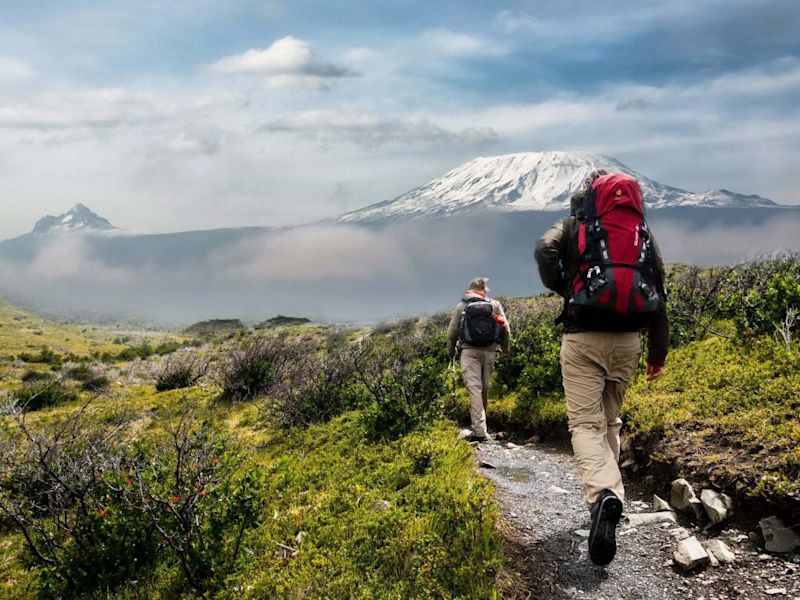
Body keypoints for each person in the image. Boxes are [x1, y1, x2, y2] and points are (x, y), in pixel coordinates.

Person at [534, 170, 668, 566]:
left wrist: (564, 286)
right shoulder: (639, 230)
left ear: (588, 194)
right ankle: (609, 499)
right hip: (629, 340)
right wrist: (657, 354)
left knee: (585, 425)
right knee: (610, 421)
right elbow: (658, 289)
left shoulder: (576, 225)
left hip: (583, 338)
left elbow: (544, 249)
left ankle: (603, 497)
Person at [446, 277, 511, 442]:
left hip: (468, 351)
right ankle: (481, 426)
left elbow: (452, 332)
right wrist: (505, 349)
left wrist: (451, 351)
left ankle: (480, 431)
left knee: (474, 388)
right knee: (484, 387)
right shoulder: (494, 305)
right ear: (485, 290)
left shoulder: (462, 306)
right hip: (490, 351)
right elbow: (505, 328)